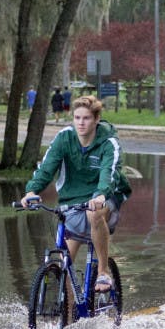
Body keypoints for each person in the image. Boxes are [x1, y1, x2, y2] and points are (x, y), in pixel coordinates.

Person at [20, 95, 132, 292]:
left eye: (86, 118)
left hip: (107, 195)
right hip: (73, 200)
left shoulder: (108, 142)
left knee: (94, 213)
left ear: (96, 119)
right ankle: (69, 317)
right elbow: (46, 168)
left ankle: (103, 272)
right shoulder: (64, 138)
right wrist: (31, 191)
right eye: (77, 117)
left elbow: (109, 173)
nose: (81, 123)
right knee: (65, 266)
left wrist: (100, 195)